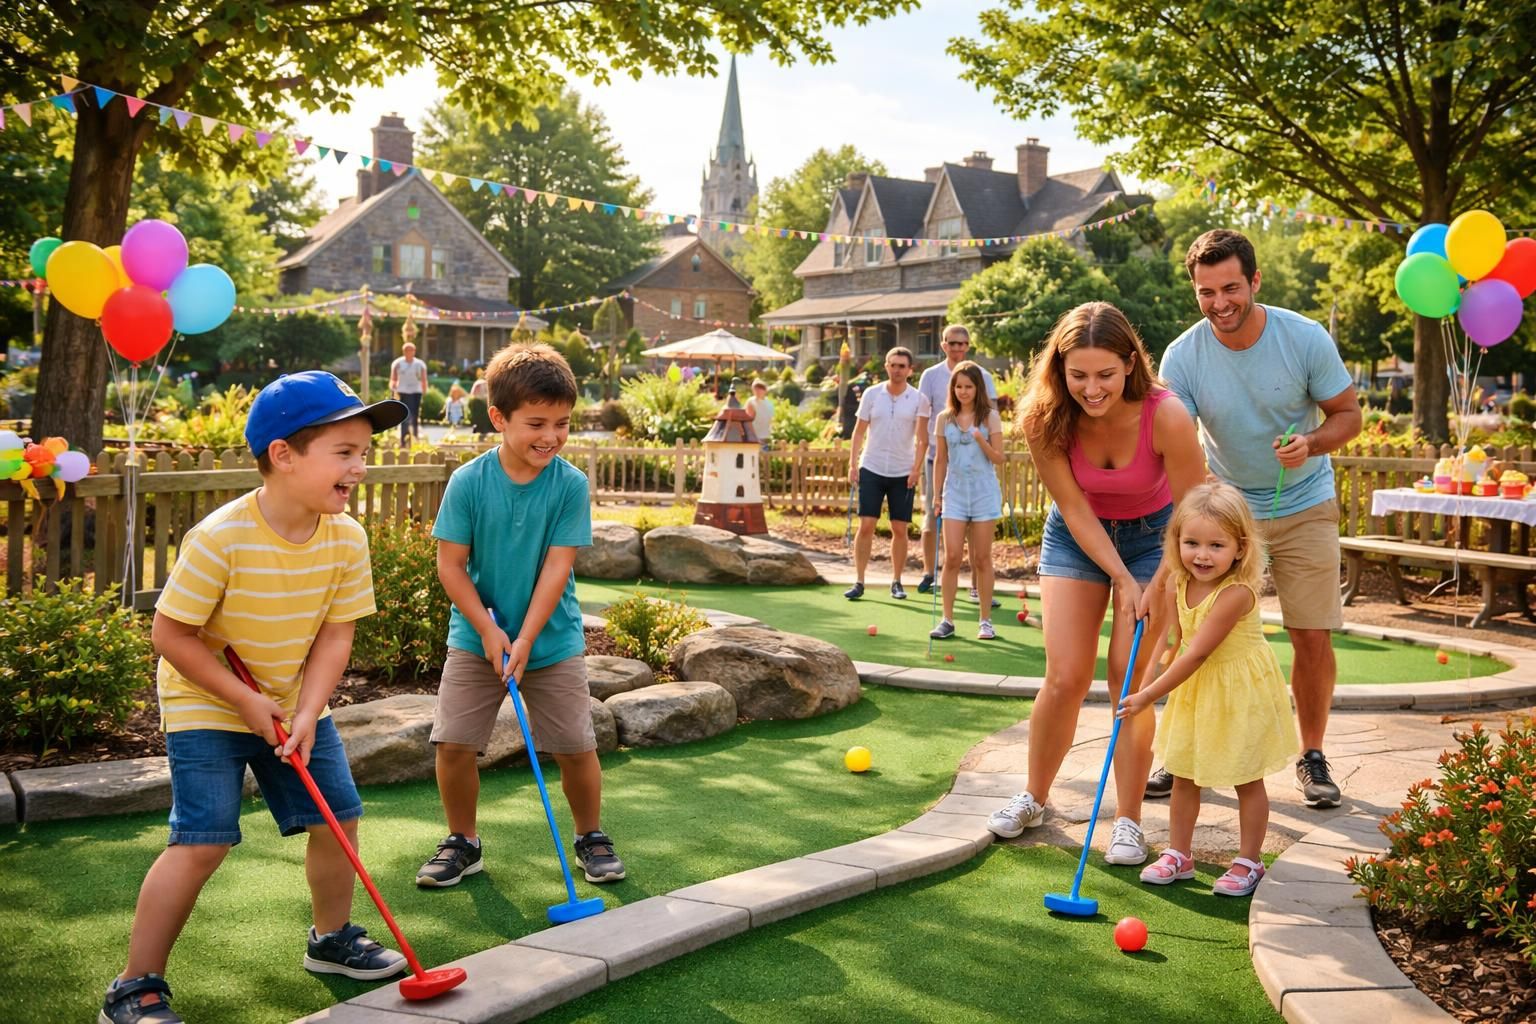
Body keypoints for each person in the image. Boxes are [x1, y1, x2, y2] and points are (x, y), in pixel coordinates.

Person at [101, 372, 410, 1024]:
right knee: (204, 838)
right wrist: (242, 700)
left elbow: (336, 634)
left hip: (295, 700)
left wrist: (306, 710)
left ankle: (331, 941)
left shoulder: (346, 537)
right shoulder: (220, 538)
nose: (361, 467)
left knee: (338, 818)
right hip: (207, 702)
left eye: (365, 452)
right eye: (345, 452)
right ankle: (133, 986)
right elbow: (170, 634)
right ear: (283, 454)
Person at [985, 303, 1205, 868]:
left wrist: (1152, 582)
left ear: (1130, 362)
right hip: (1077, 539)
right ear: (1059, 367)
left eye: (1105, 374)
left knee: (1130, 680)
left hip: (1160, 539)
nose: (1091, 388)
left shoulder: (1169, 416)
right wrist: (1118, 577)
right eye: (1077, 374)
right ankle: (1034, 796)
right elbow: (1074, 510)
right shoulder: (1043, 416)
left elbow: (1192, 514)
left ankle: (1128, 821)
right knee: (1065, 675)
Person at [1150, 229, 1362, 810]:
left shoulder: (1303, 338)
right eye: (1206, 291)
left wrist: (1313, 442)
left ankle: (1312, 754)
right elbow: (1172, 436)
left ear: (1255, 281)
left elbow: (1348, 415)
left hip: (1303, 504)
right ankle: (1180, 751)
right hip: (1224, 516)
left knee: (1310, 633)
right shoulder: (1183, 355)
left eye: (1231, 288)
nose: (1220, 303)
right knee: (1194, 633)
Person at [416, 342, 626, 889]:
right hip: (475, 635)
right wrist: (488, 630)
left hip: (551, 638)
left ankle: (590, 836)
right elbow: (451, 566)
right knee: (454, 742)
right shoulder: (469, 482)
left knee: (575, 746)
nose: (551, 436)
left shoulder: (569, 485)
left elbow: (557, 570)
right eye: (536, 423)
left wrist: (525, 638)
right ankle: (463, 840)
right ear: (498, 418)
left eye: (562, 423)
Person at [1118, 483, 1299, 897]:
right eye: (1192, 542)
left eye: (1216, 545)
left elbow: (1197, 653)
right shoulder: (1176, 584)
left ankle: (1250, 860)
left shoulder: (1235, 593)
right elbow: (1175, 641)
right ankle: (1179, 853)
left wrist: (1149, 696)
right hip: (1198, 690)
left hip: (1238, 693)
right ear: (1176, 542)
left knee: (1245, 776)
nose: (1202, 554)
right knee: (1184, 772)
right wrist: (1145, 681)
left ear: (1240, 548)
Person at [916, 324, 997, 599]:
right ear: (943, 345)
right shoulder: (930, 375)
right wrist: (920, 452)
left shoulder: (983, 375)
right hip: (939, 459)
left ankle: (976, 585)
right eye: (952, 343)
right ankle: (930, 573)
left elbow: (991, 418)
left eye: (962, 343)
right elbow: (922, 418)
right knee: (932, 515)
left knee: (976, 527)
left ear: (968, 345)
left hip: (975, 465)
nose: (957, 348)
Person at [845, 347, 930, 601]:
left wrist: (916, 470)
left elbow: (923, 440)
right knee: (867, 524)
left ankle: (897, 581)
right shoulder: (872, 394)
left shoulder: (918, 399)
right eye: (892, 365)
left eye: (902, 366)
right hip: (871, 466)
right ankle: (859, 580)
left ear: (910, 370)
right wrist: (852, 464)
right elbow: (858, 432)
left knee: (899, 528)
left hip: (903, 472)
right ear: (886, 367)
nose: (897, 370)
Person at [928, 361, 1005, 639]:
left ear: (977, 388)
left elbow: (999, 458)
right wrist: (936, 496)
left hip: (984, 492)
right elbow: (940, 460)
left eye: (968, 386)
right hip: (955, 493)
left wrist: (980, 439)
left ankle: (985, 620)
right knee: (951, 558)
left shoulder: (990, 417)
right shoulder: (944, 419)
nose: (963, 391)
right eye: (958, 386)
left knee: (982, 559)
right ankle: (947, 620)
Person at [389, 341, 429, 445]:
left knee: (415, 416)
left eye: (411, 350)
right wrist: (393, 389)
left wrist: (424, 391)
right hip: (403, 391)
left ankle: (415, 436)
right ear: (404, 351)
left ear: (414, 351)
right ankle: (404, 439)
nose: (409, 352)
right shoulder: (397, 363)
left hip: (416, 391)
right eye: (407, 350)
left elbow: (424, 379)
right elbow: (393, 379)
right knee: (405, 415)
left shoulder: (420, 364)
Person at [745, 379, 775, 449]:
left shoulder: (769, 404)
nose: (757, 392)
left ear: (764, 390)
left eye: (759, 390)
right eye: (755, 390)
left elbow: (770, 420)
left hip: (765, 436)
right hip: (754, 437)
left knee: (764, 458)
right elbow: (747, 421)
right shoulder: (751, 402)